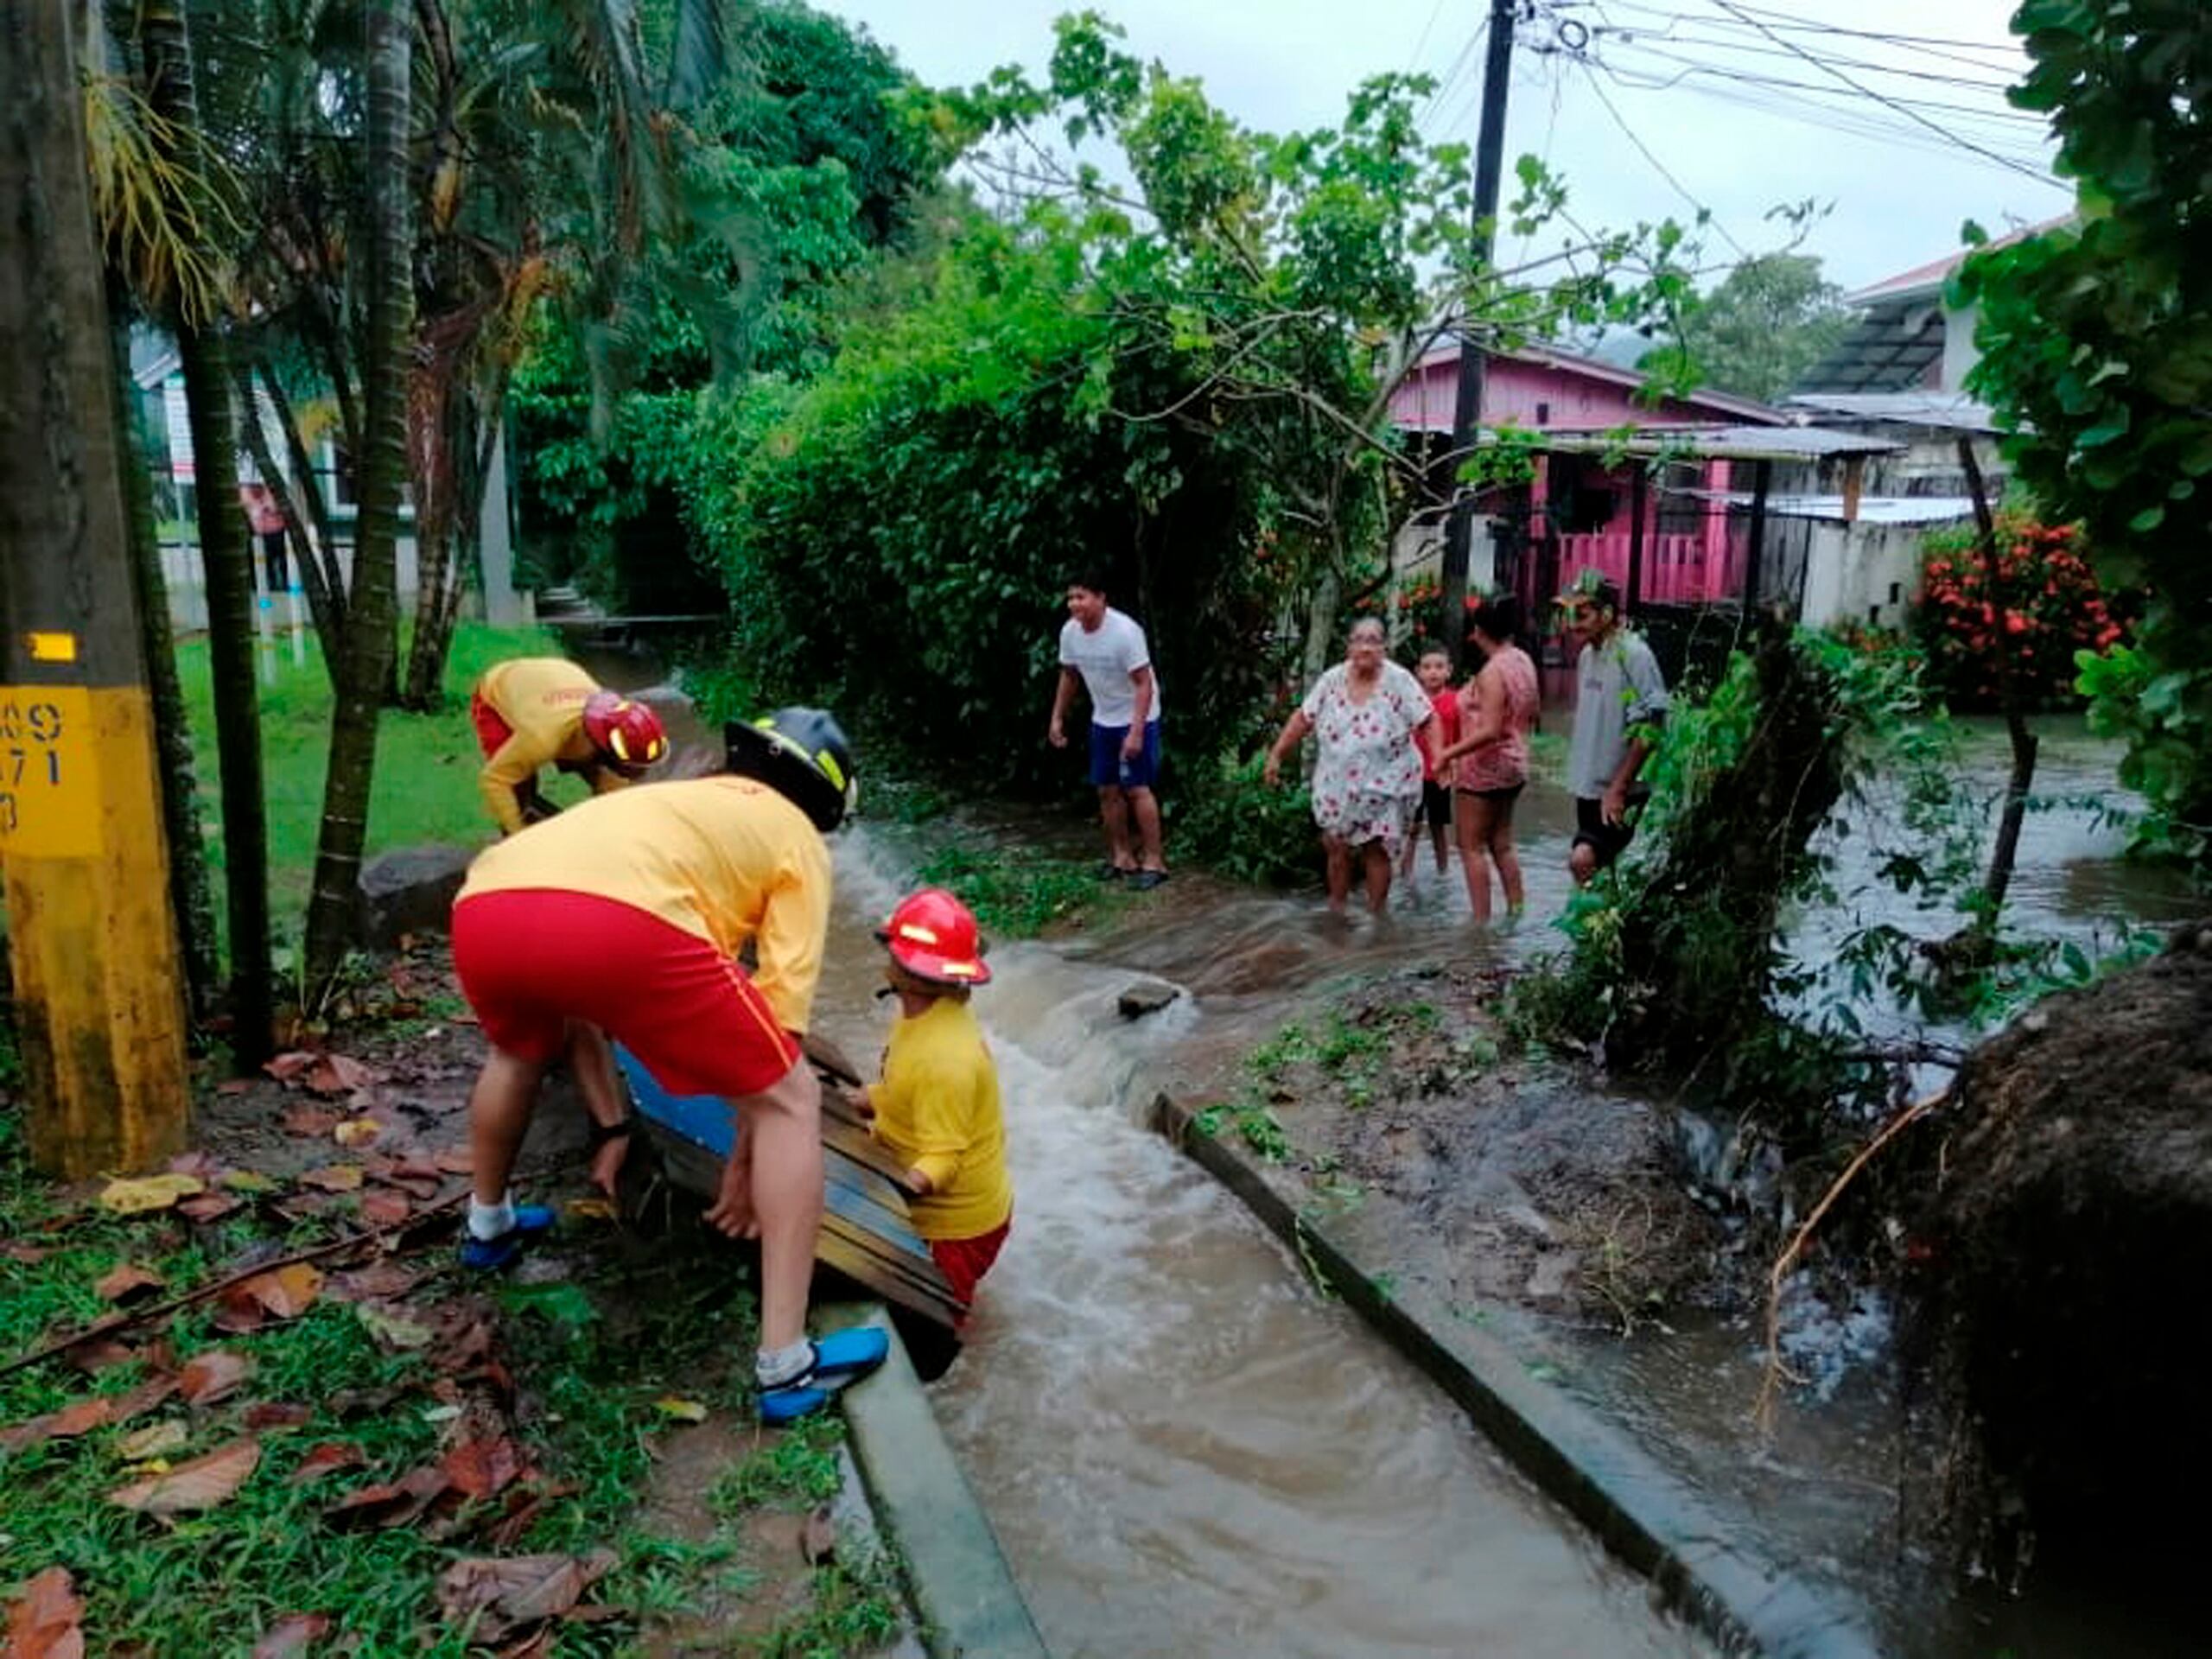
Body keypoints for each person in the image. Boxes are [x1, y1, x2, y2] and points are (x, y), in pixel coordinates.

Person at [448, 708, 887, 1424]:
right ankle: (784, 1365)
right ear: (821, 802)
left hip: (487, 901)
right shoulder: (796, 839)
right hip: (623, 923)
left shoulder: (672, 797)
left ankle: (487, 1225)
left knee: (517, 1052)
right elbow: (779, 1035)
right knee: (795, 1101)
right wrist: (744, 1165)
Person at [855, 888, 1013, 1325]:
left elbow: (943, 1160)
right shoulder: (923, 1013)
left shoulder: (946, 1058)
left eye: (893, 950)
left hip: (956, 1229)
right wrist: (867, 1100)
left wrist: (886, 1189)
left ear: (908, 972)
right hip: (960, 1210)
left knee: (936, 1324)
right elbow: (904, 1088)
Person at [1262, 615, 1436, 915]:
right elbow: (1304, 717)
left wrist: (1441, 757)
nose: (1366, 648)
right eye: (1359, 640)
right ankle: (1337, 910)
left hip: (1387, 782)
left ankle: (1377, 917)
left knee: (1376, 849)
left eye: (1373, 641)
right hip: (1337, 783)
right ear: (1349, 647)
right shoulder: (1331, 680)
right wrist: (1277, 754)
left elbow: (1428, 719)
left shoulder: (1399, 680)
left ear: (1384, 647)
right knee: (1336, 844)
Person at [1047, 573, 1167, 889]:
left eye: (1082, 596)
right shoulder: (1070, 633)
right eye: (1070, 597)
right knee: (1106, 789)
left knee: (1137, 789)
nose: (1074, 603)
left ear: (1101, 598)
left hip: (1139, 714)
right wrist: (1057, 717)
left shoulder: (1125, 633)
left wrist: (1137, 732)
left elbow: (1144, 685)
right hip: (1104, 718)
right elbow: (1069, 676)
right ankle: (1122, 857)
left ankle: (1155, 861)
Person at [471, 657, 669, 836]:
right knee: (519, 790)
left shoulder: (607, 720)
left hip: (556, 683)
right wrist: (516, 833)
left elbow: (614, 788)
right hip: (501, 687)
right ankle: (517, 839)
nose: (638, 773)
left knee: (608, 786)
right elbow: (495, 780)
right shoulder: (541, 737)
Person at [1433, 594, 1541, 922]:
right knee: (1502, 843)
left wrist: (1447, 754)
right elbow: (1532, 713)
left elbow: (1490, 730)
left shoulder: (1492, 672)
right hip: (1515, 762)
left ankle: (1480, 923)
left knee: (1470, 846)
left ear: (1479, 631)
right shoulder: (1522, 660)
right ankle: (1516, 911)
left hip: (1484, 768)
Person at [1560, 574, 1669, 885]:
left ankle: (1593, 927)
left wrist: (1619, 787)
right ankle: (1598, 929)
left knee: (1582, 860)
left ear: (1607, 614)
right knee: (1602, 872)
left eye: (1582, 615)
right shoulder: (1586, 655)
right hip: (1589, 787)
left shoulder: (1634, 654)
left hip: (1621, 788)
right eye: (1570, 615)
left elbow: (1652, 724)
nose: (1573, 624)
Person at [1399, 643, 1459, 885]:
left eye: (1439, 666)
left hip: (1440, 775)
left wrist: (1456, 765)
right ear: (1418, 671)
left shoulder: (1456, 701)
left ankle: (1443, 874)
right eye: (1427, 667)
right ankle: (1405, 876)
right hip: (1412, 775)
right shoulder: (1410, 701)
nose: (1433, 672)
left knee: (1438, 827)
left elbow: (1460, 738)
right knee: (1411, 828)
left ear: (1449, 670)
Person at [241, 481, 289, 594]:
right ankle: (268, 583)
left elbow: (281, 508)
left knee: (282, 559)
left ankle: (285, 582)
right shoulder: (243, 493)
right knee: (264, 560)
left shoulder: (272, 492)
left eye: (259, 487)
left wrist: (270, 508)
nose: (256, 490)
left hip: (277, 531)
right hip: (258, 534)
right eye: (253, 488)